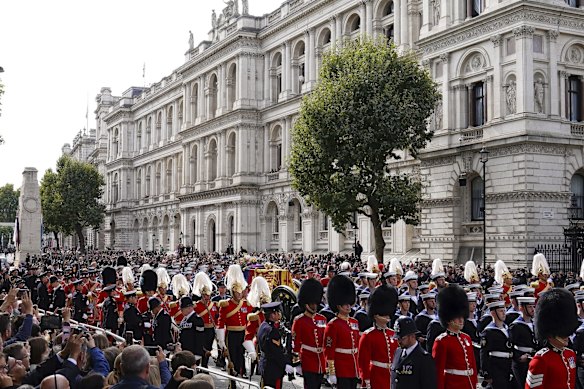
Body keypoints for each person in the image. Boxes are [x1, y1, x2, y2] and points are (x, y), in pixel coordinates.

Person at [526, 288, 579, 389]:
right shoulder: (540, 360)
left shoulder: (570, 354)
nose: (567, 336)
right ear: (551, 333)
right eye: (563, 334)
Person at [432, 284, 478, 389]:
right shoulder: (441, 341)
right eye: (457, 317)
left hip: (468, 384)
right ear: (449, 319)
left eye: (462, 317)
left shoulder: (466, 338)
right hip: (452, 384)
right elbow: (438, 371)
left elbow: (473, 367)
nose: (461, 320)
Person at [216, 264, 253, 381]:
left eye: (240, 292)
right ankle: (232, 376)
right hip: (231, 334)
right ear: (232, 292)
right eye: (237, 292)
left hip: (242, 333)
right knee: (231, 356)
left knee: (241, 354)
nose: (239, 294)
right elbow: (221, 321)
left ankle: (241, 372)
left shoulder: (246, 304)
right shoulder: (226, 304)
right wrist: (221, 339)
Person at [358, 285, 398, 389]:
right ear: (376, 315)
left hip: (392, 378)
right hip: (376, 377)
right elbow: (363, 361)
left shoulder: (393, 334)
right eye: (384, 314)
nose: (387, 316)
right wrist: (366, 381)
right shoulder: (368, 335)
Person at [324, 275, 360, 389]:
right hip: (341, 368)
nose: (349, 306)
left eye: (350, 303)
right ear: (338, 306)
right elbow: (329, 351)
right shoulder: (333, 325)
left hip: (353, 367)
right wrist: (332, 372)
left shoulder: (354, 322)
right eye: (346, 304)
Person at [291, 278, 327, 389]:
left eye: (316, 303)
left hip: (321, 360)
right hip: (308, 359)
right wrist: (296, 363)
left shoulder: (322, 319)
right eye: (312, 304)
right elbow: (295, 342)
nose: (315, 306)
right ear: (306, 304)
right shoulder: (299, 320)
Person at [391, 315, 437, 389]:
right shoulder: (398, 352)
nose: (398, 341)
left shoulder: (424, 358)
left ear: (412, 336)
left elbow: (429, 385)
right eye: (397, 338)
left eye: (401, 338)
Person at [480, 300, 514, 389]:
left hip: (509, 365)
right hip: (496, 366)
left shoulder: (508, 328)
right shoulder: (488, 332)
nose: (504, 313)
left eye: (504, 310)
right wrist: (486, 373)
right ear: (493, 313)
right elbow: (484, 353)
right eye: (501, 311)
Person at [258, 302, 293, 389]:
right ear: (273, 315)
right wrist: (286, 364)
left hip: (265, 365)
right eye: (277, 312)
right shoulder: (272, 331)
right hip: (273, 368)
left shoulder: (263, 325)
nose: (279, 314)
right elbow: (276, 352)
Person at [509, 296, 537, 388]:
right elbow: (509, 345)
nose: (533, 309)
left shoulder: (535, 324)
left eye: (533, 306)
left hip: (535, 359)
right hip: (521, 362)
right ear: (521, 308)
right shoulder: (516, 325)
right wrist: (518, 356)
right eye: (529, 307)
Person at [192, 272, 216, 368]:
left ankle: (205, 366)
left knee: (208, 349)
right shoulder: (196, 305)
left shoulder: (213, 305)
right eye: (205, 295)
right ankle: (197, 366)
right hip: (201, 330)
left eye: (209, 295)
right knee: (200, 349)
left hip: (210, 330)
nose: (207, 297)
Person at [178, 296, 204, 360]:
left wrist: (198, 354)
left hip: (193, 353)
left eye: (182, 309)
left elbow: (200, 338)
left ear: (189, 308)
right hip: (185, 351)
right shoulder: (185, 318)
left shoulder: (197, 319)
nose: (181, 311)